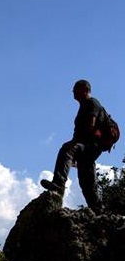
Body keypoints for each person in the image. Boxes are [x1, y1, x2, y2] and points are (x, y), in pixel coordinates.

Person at [40, 79, 105, 213]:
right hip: (87, 146)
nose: (73, 92)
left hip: (91, 145)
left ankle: (58, 184)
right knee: (87, 182)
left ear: (85, 90)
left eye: (76, 89)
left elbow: (90, 125)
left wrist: (75, 145)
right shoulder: (83, 106)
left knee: (67, 149)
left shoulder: (92, 103)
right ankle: (98, 211)